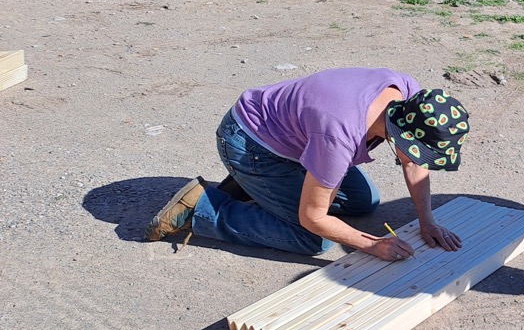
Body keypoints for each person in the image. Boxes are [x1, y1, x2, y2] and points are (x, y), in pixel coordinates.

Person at [144, 67, 470, 260]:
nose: (419, 161)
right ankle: (202, 208)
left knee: (363, 201)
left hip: (290, 139)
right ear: (401, 136)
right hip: (246, 142)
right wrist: (372, 245)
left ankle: (256, 185)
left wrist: (427, 221)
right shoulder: (339, 136)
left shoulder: (409, 98)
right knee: (315, 238)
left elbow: (412, 163)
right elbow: (313, 217)